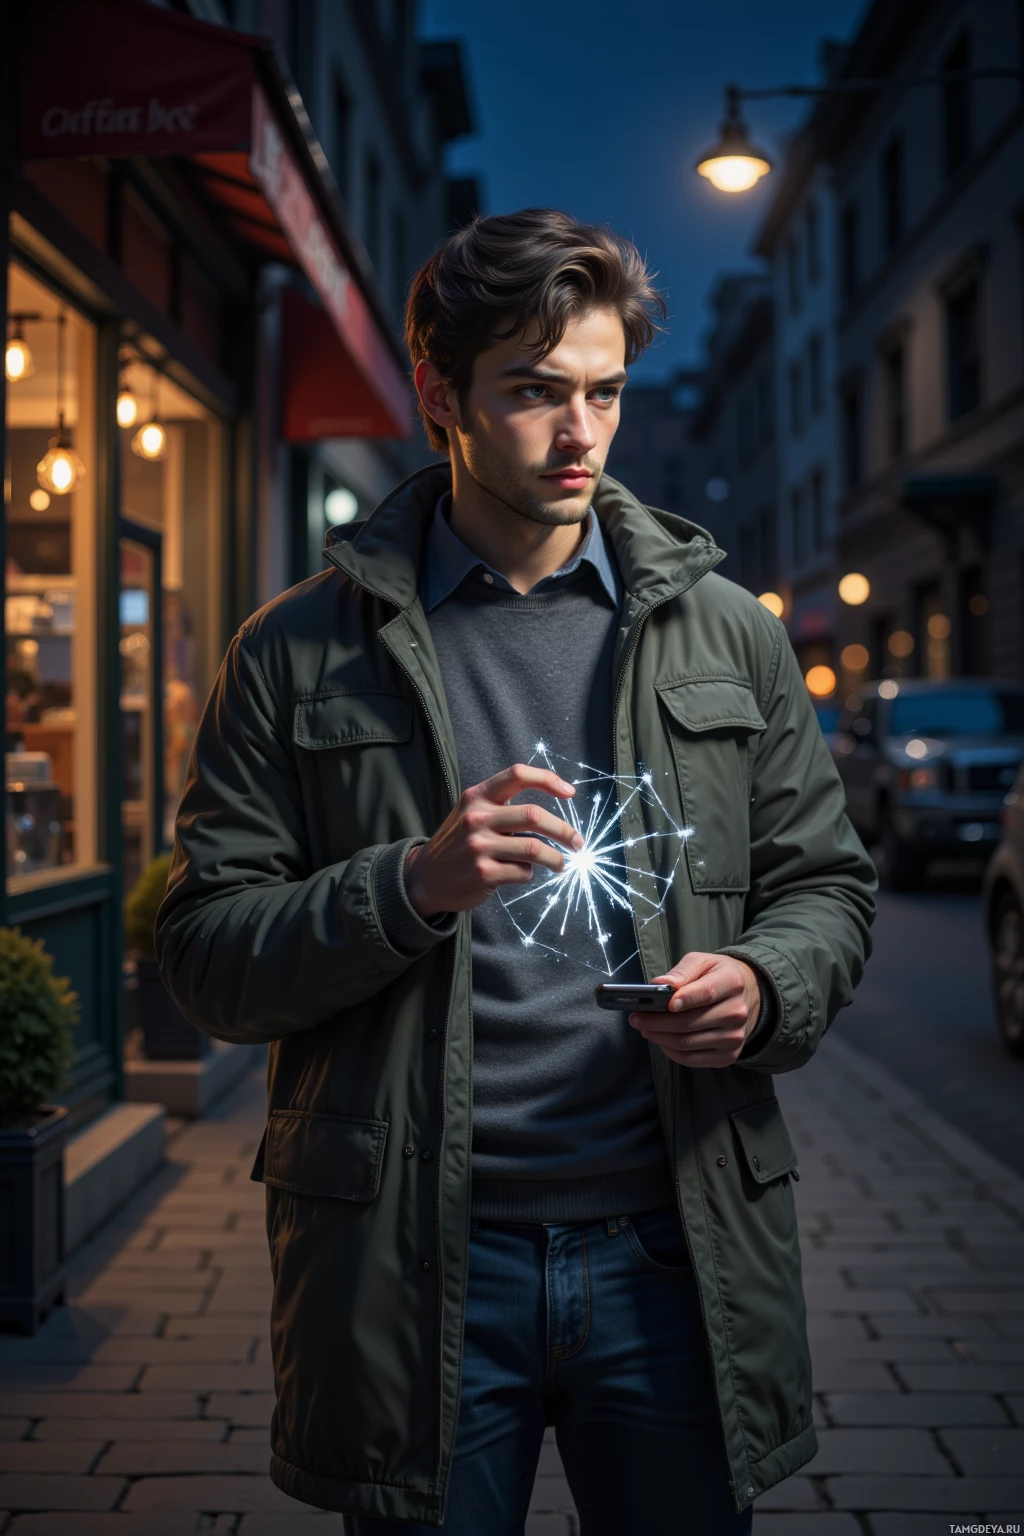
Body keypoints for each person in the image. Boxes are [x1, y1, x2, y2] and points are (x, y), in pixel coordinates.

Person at [156, 208, 877, 1534]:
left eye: (604, 390)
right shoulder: (298, 648)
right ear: (441, 395)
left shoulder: (729, 632)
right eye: (535, 391)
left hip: (678, 1243)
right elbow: (203, 959)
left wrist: (768, 987)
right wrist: (410, 886)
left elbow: (829, 888)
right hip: (412, 1259)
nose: (581, 431)